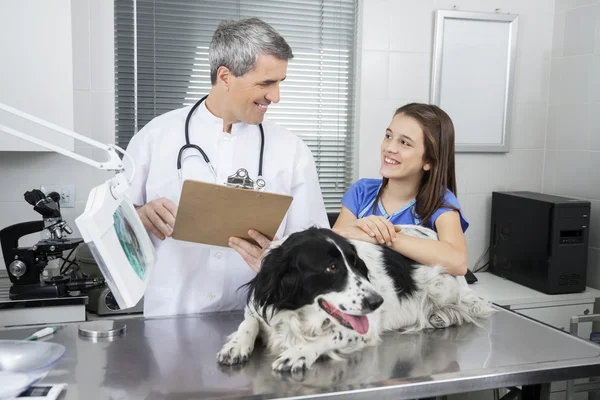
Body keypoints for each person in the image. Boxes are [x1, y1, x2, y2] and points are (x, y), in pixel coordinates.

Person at [124, 17, 329, 318]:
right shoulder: (155, 137)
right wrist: (139, 215)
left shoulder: (292, 151)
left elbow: (316, 246)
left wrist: (280, 259)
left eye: (279, 83)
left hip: (259, 319)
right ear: (225, 76)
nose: (276, 97)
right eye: (266, 83)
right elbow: (113, 226)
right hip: (173, 317)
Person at [332, 103, 469, 276]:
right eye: (388, 136)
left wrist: (382, 238)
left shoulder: (441, 201)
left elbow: (458, 262)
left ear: (429, 161)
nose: (389, 148)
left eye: (404, 143)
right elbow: (333, 246)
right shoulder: (361, 192)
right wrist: (357, 228)